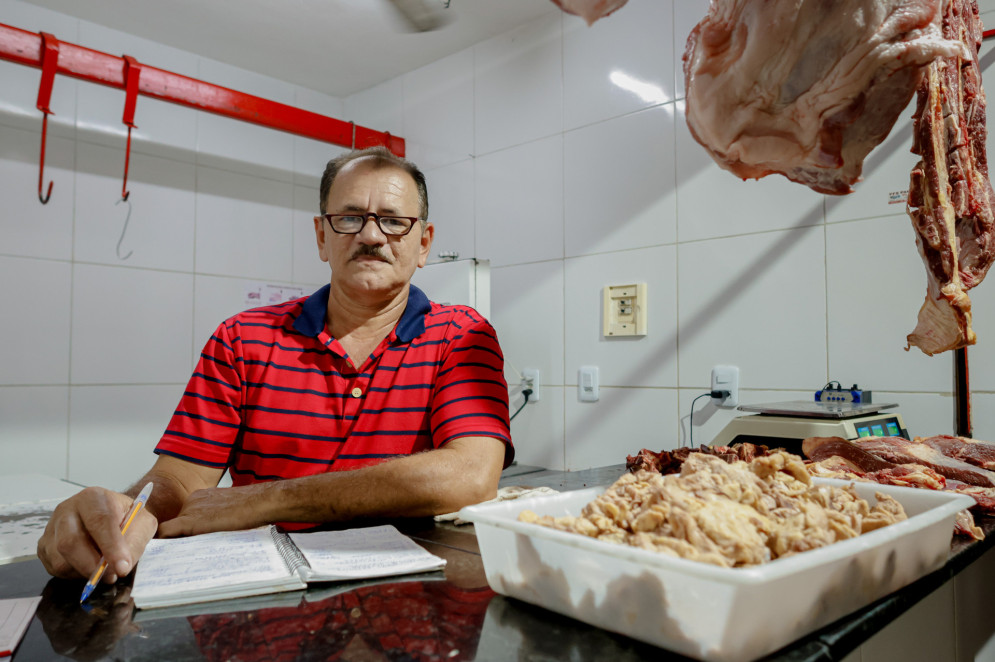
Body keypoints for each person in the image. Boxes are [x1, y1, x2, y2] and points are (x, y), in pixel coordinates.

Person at [39, 146, 513, 583]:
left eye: (393, 221)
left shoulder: (462, 335)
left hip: (414, 592)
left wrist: (264, 500)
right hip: (265, 597)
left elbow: (469, 475)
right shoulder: (242, 339)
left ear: (424, 243)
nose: (370, 235)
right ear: (321, 236)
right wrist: (123, 514)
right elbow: (179, 481)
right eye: (349, 218)